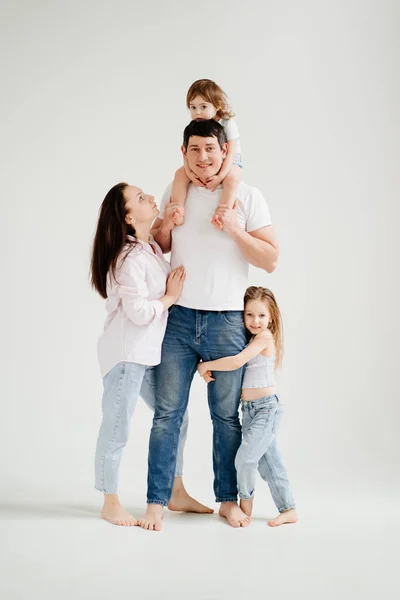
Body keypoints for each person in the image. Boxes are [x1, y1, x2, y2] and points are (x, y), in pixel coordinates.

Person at [137, 119, 279, 531]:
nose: (203, 158)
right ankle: (155, 502)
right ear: (184, 153)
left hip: (227, 322)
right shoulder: (174, 191)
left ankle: (227, 501)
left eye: (210, 149)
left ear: (224, 151)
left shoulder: (248, 196)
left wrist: (235, 229)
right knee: (168, 414)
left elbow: (270, 259)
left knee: (225, 417)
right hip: (178, 318)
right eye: (194, 149)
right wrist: (166, 220)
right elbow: (160, 246)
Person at [90, 182, 213, 527]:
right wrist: (171, 298)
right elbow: (140, 313)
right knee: (117, 427)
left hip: (148, 355)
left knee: (176, 416)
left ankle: (175, 490)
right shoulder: (126, 259)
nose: (149, 199)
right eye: (140, 198)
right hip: (127, 355)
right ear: (128, 216)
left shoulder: (148, 250)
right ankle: (109, 500)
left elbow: (162, 242)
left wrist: (170, 223)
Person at [198, 286, 298, 527]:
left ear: (271, 317)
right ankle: (289, 509)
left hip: (266, 409)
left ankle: (245, 504)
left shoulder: (264, 338)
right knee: (269, 463)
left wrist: (205, 365)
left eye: (261, 315)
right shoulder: (250, 338)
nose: (255, 321)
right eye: (249, 315)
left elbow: (237, 361)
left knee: (245, 459)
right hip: (250, 411)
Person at [171, 79, 242, 229]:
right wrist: (190, 174)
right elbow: (186, 154)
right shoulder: (195, 126)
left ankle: (223, 213)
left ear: (217, 106)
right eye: (193, 107)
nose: (197, 112)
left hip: (230, 159)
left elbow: (230, 152)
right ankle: (178, 209)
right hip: (211, 161)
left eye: (203, 107)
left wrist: (220, 177)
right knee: (179, 174)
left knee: (233, 178)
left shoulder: (228, 123)